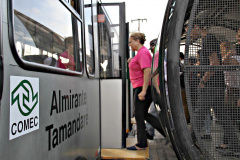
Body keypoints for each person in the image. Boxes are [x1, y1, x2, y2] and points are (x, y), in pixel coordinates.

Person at [190, 20, 239, 151]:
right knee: (222, 116)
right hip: (217, 84)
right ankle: (235, 144)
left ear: (196, 27)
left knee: (200, 113)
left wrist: (203, 80)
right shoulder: (210, 39)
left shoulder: (208, 40)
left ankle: (188, 142)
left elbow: (215, 63)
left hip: (211, 85)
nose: (190, 34)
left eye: (191, 30)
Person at [126, 32, 165, 150]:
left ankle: (141, 144)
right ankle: (163, 130)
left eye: (130, 41)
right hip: (141, 86)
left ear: (137, 41)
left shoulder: (142, 53)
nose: (129, 44)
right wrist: (131, 61)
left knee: (139, 115)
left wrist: (143, 91)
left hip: (141, 87)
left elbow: (147, 71)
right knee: (143, 114)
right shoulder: (141, 53)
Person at [145, 38, 159, 140]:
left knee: (153, 112)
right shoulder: (160, 55)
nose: (151, 51)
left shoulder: (158, 55)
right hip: (159, 88)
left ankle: (150, 132)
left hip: (159, 89)